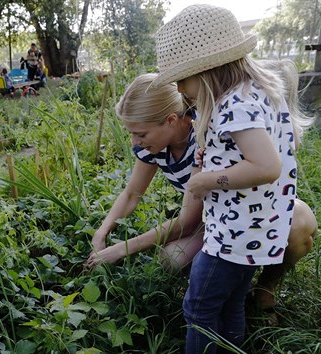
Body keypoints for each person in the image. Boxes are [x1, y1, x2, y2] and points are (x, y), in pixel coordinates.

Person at [150, 5, 314, 352]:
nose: (180, 89)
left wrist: (207, 180)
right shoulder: (256, 93)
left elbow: (266, 166)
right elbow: (268, 151)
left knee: (199, 307)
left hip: (231, 237)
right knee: (231, 305)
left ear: (207, 71)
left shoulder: (234, 106)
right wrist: (211, 154)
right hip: (259, 231)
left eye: (182, 78)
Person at [85, 71, 317, 316]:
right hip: (213, 216)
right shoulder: (153, 146)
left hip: (253, 208)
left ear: (171, 120)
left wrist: (122, 248)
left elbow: (187, 222)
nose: (134, 142)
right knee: (172, 259)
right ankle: (227, 282)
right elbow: (132, 193)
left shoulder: (206, 133)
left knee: (299, 225)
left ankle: (265, 288)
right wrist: (102, 233)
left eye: (140, 134)